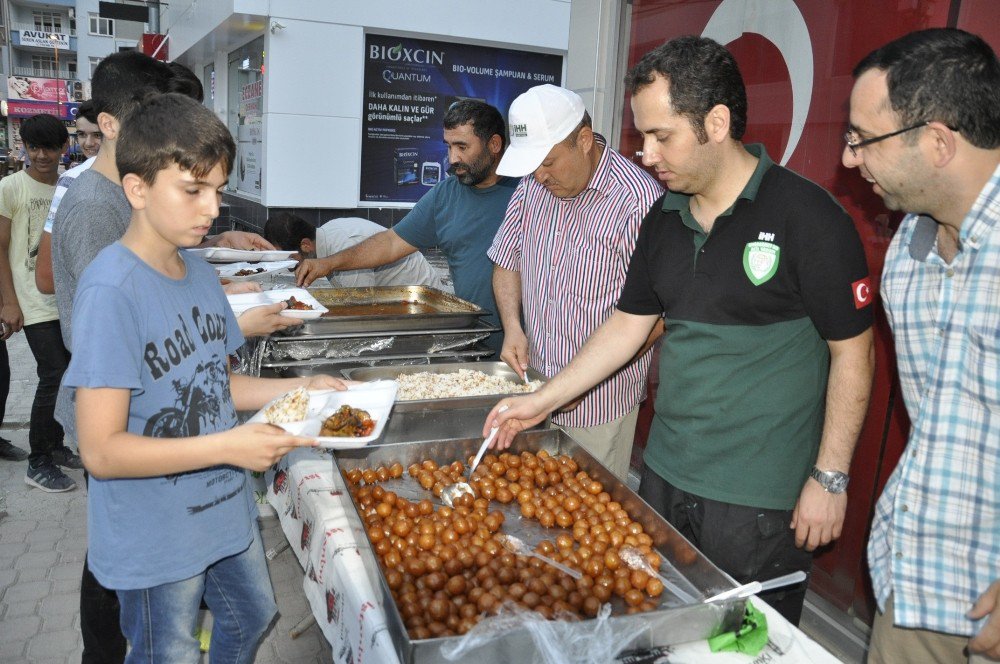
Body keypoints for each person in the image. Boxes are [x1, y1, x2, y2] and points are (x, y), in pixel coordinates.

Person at [485, 38, 875, 624]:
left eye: (660, 136)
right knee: (666, 627)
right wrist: (538, 402)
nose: (644, 154)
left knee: (744, 643)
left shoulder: (808, 217)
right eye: (641, 136)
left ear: (716, 123)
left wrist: (830, 477)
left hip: (760, 501)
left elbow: (854, 354)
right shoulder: (664, 219)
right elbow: (625, 326)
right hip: (665, 481)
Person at [62, 91, 344, 662]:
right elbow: (101, 450)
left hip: (221, 511)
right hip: (157, 533)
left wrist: (299, 388)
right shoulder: (111, 290)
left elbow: (219, 384)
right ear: (137, 188)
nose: (212, 209)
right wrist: (231, 444)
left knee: (252, 617)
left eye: (217, 189)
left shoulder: (194, 270)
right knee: (171, 651)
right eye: (193, 191)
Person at [842, 28, 1000, 663]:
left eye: (862, 139)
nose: (850, 159)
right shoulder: (907, 254)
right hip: (913, 592)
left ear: (937, 141)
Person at [487, 84, 663, 480]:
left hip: (597, 402)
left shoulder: (637, 201)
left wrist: (576, 385)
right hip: (533, 385)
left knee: (586, 520)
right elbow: (505, 260)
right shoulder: (532, 187)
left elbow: (657, 317)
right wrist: (513, 327)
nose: (539, 175)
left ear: (584, 140)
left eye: (548, 162)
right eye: (533, 165)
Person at [296, 99, 516, 356]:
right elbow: (390, 243)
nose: (452, 158)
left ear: (494, 144)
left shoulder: (528, 192)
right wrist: (328, 263)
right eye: (448, 146)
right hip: (476, 340)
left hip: (532, 343)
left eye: (462, 147)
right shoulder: (444, 196)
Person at [0, 114, 81, 492]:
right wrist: (9, 303)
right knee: (53, 374)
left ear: (64, 148)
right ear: (25, 148)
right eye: (34, 147)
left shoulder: (70, 186)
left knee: (67, 375)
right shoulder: (11, 187)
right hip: (30, 302)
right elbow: (0, 249)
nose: (41, 154)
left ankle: (57, 444)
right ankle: (38, 460)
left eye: (50, 146)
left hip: (65, 300)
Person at [265, 212, 446, 289]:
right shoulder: (327, 236)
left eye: (288, 257)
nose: (289, 265)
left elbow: (360, 307)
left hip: (421, 298)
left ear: (305, 245)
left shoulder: (341, 245)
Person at [35, 100, 102, 294]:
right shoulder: (70, 179)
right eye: (81, 134)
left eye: (97, 135)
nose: (88, 143)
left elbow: (46, 278)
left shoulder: (71, 179)